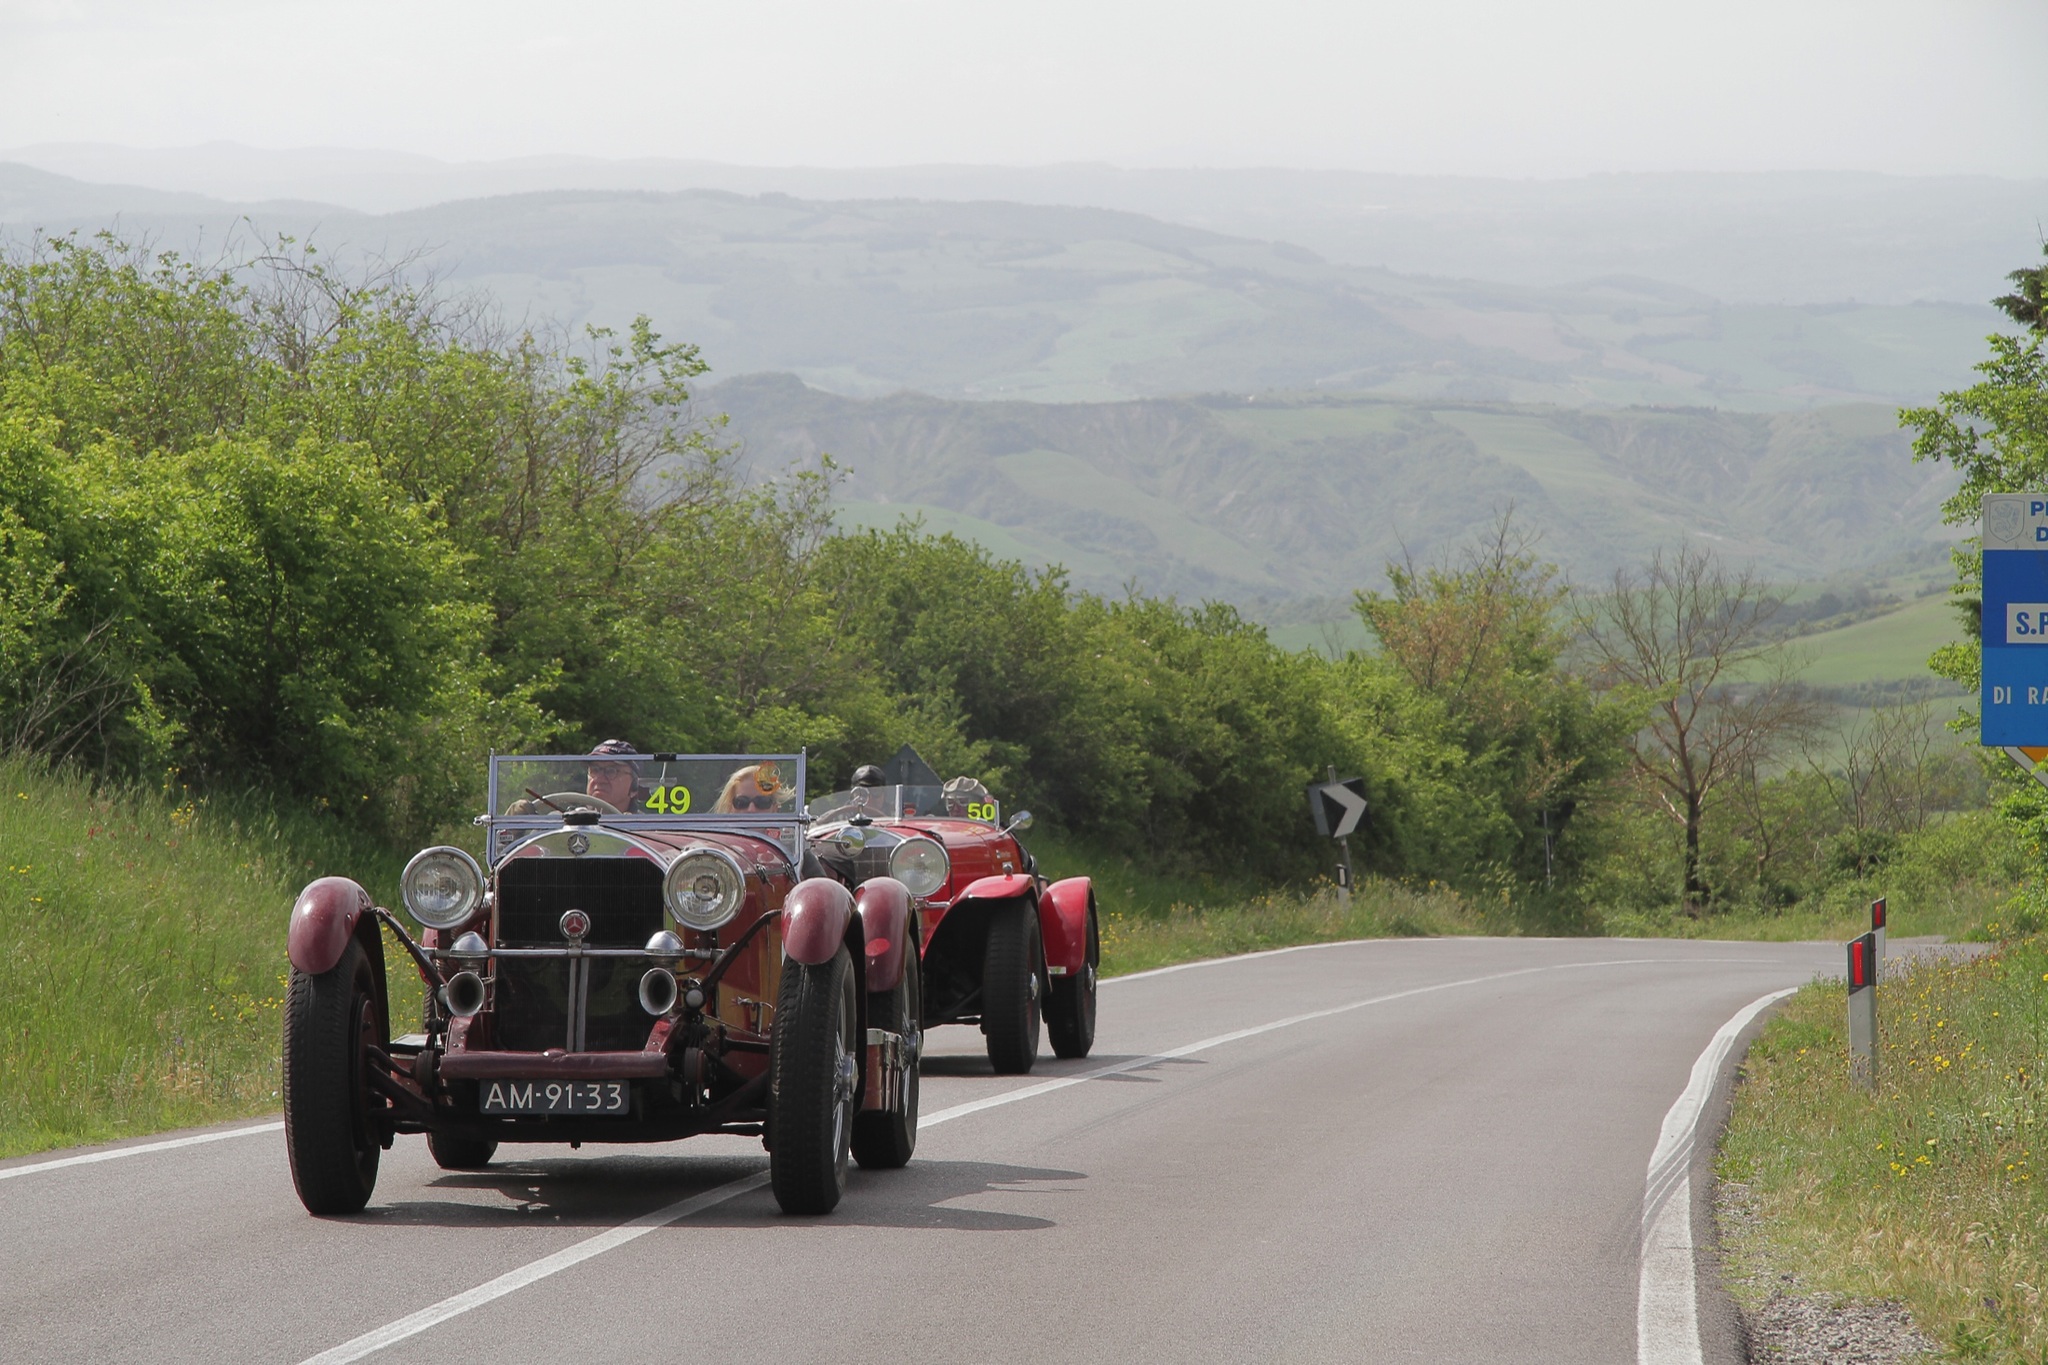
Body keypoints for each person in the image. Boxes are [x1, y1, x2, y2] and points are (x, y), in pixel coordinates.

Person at [584, 739, 646, 813]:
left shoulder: (645, 823)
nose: (599, 779)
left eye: (611, 771)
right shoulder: (571, 821)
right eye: (594, 770)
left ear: (634, 786)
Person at [714, 761, 791, 814]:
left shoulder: (796, 837)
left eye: (762, 802)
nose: (751, 810)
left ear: (775, 809)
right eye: (741, 802)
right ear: (730, 808)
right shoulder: (713, 838)